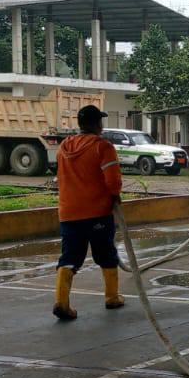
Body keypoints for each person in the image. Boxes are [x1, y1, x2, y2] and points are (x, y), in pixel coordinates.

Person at [53, 104, 124, 320]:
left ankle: (61, 302)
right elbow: (113, 180)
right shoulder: (103, 146)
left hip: (68, 212)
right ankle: (112, 297)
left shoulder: (64, 146)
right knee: (106, 254)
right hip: (97, 212)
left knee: (70, 257)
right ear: (98, 124)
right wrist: (115, 196)